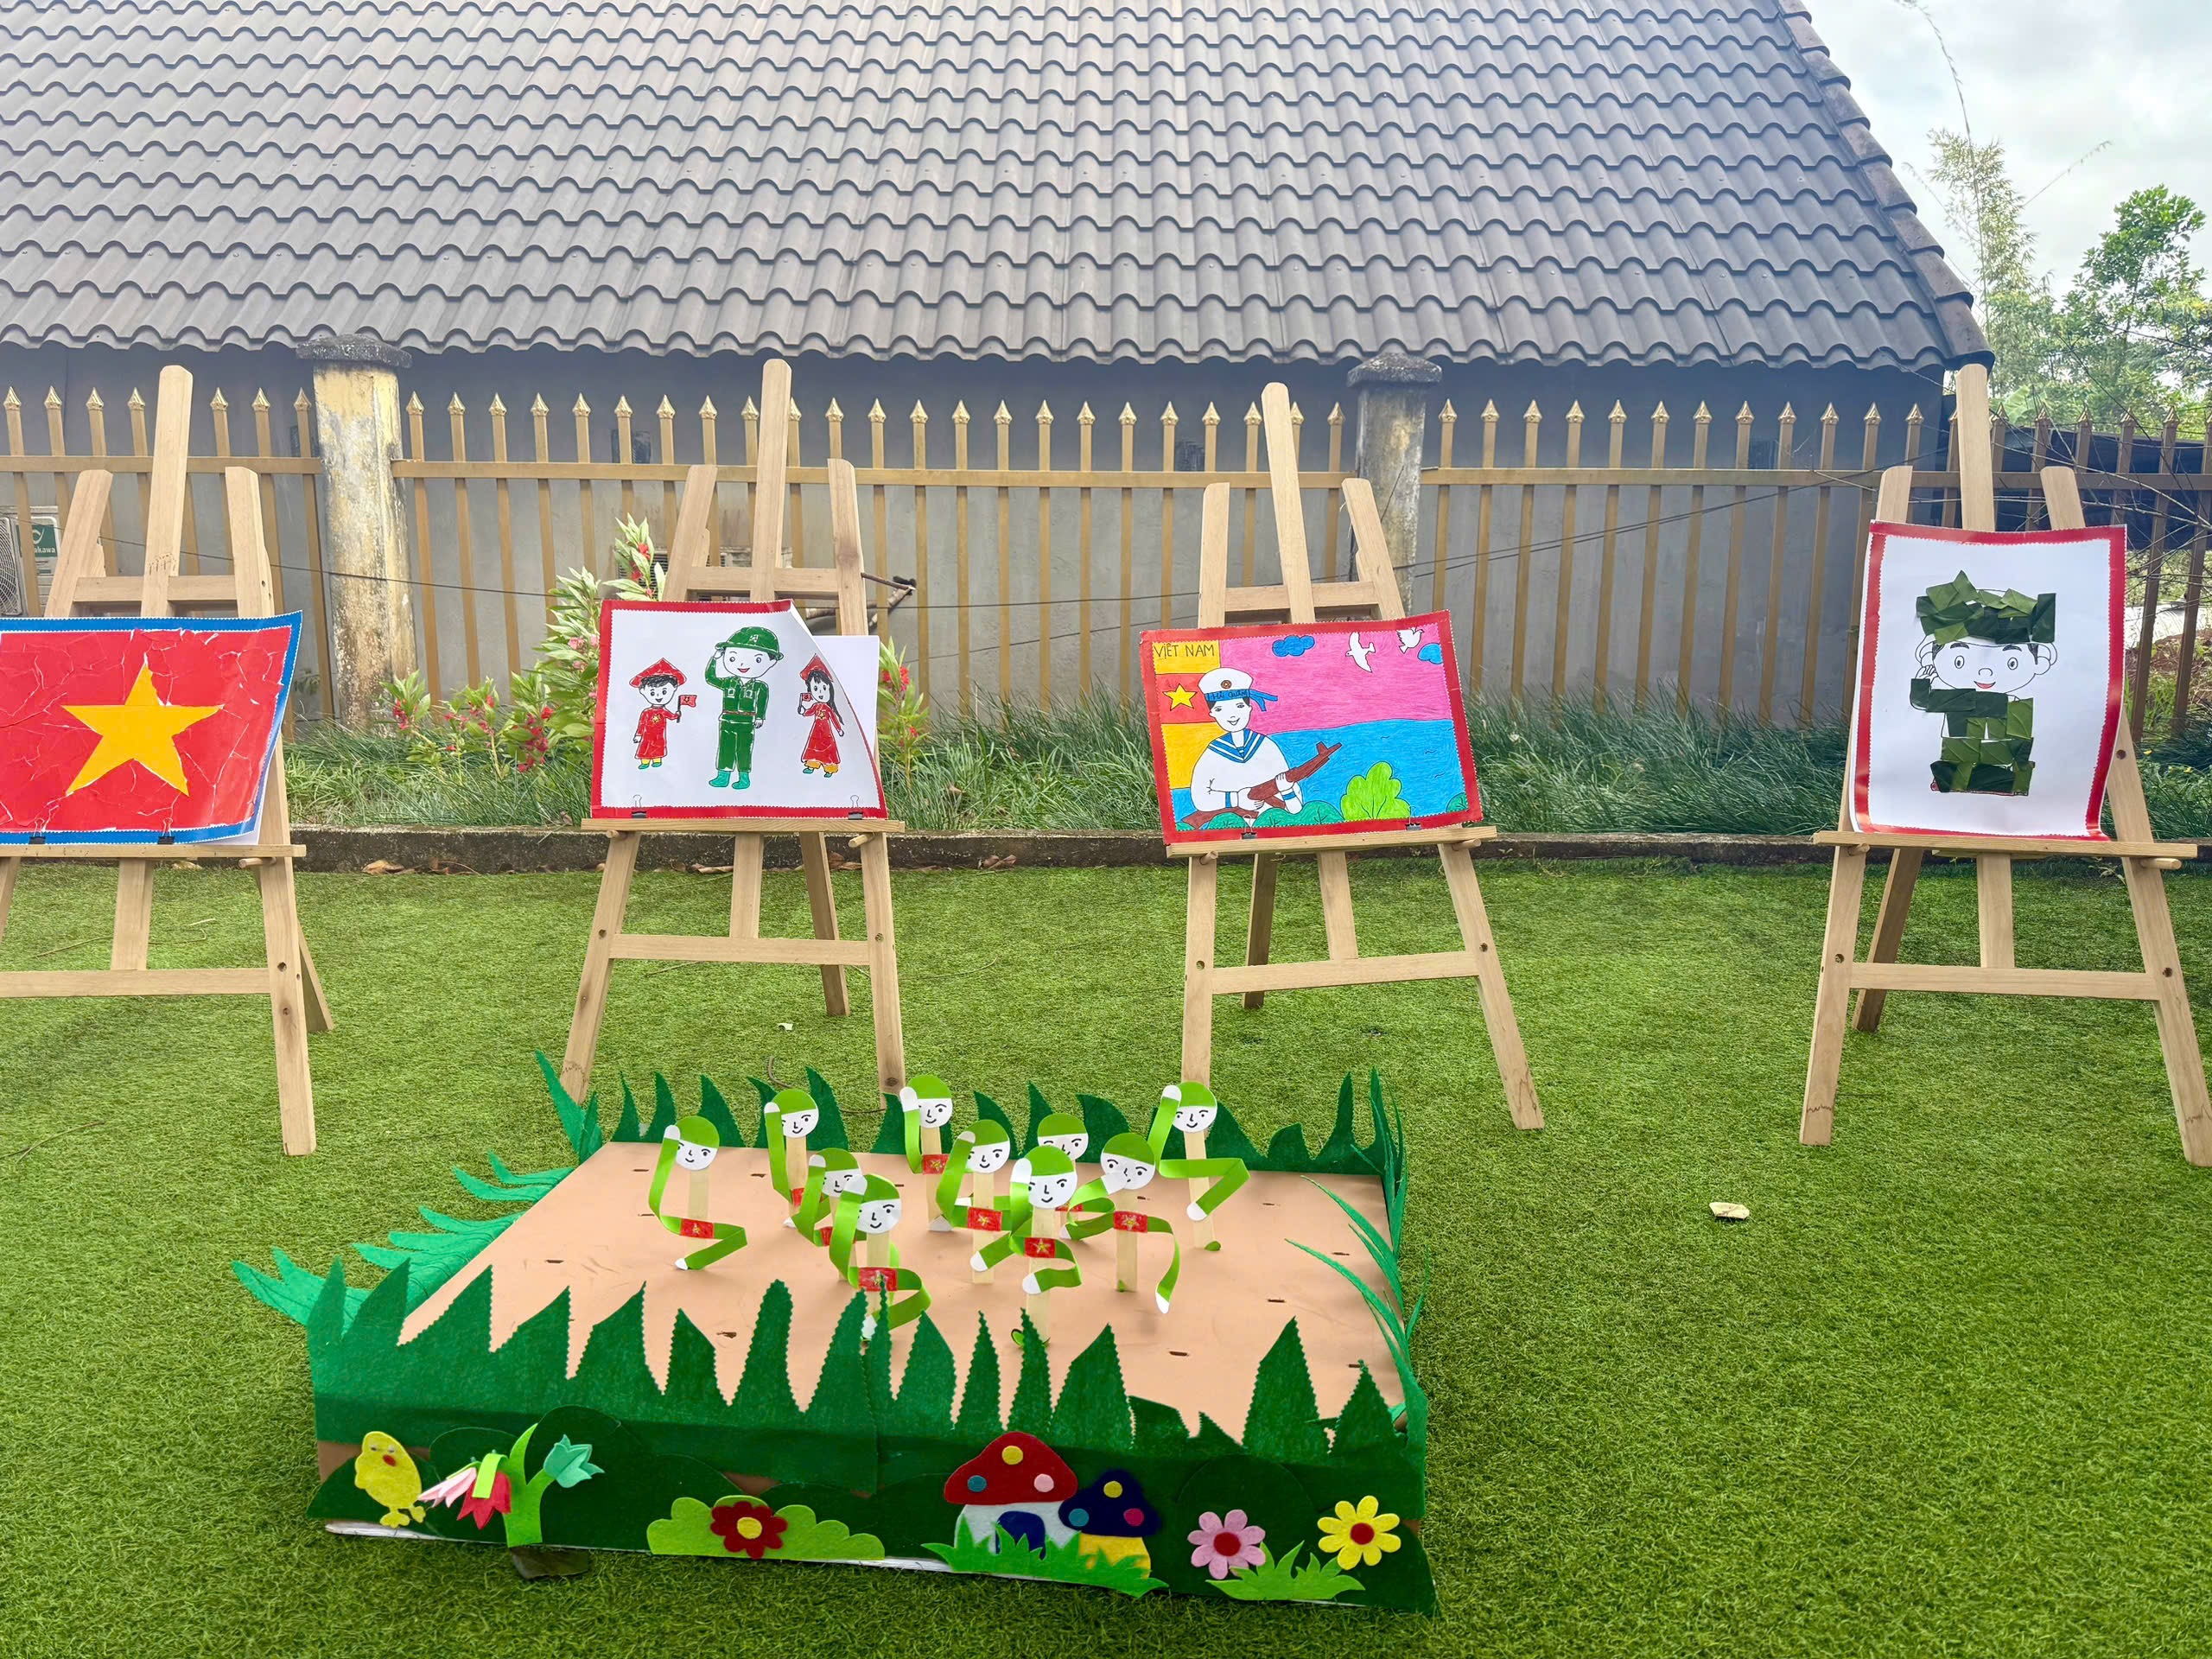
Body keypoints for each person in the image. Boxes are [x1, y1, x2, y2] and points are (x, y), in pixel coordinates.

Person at [1910, 572, 2057, 796]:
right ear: (1930, 655)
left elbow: (2021, 742)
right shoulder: (1958, 699)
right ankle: (1958, 781)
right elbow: (1923, 701)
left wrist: (2020, 773)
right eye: (1959, 660)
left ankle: (1999, 782)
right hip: (1957, 759)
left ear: (2040, 661)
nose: (1985, 672)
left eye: (2012, 662)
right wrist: (1922, 680)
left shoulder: (2015, 705)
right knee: (1959, 759)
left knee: (1999, 760)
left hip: (2000, 766)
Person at [1186, 666, 1301, 823]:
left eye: (1239, 706)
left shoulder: (1266, 746)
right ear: (1212, 714)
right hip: (1229, 825)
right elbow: (1200, 798)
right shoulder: (1213, 753)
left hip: (1273, 821)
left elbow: (1296, 808)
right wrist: (1236, 799)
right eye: (1220, 709)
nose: (1232, 715)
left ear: (1249, 708)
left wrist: (1287, 791)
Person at [703, 625, 781, 789]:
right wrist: (715, 659)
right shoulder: (728, 682)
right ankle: (723, 776)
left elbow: (762, 702)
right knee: (726, 748)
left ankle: (744, 778)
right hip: (727, 720)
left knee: (744, 749)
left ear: (772, 662)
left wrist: (760, 717)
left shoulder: (760, 686)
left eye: (757, 660)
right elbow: (710, 678)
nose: (743, 664)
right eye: (733, 658)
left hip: (747, 722)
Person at [628, 659, 693, 768]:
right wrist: (638, 735)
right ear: (643, 691)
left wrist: (677, 714)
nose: (658, 696)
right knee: (645, 747)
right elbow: (641, 725)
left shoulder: (663, 711)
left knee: (658, 747)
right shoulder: (646, 712)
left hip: (659, 736)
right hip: (647, 735)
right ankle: (645, 762)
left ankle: (657, 761)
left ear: (674, 688)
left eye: (664, 692)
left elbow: (671, 716)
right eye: (652, 693)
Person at [795, 654, 844, 776]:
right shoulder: (816, 706)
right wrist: (802, 710)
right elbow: (809, 712)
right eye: (816, 689)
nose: (821, 692)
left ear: (829, 688)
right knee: (813, 747)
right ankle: (812, 765)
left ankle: (830, 768)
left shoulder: (828, 709)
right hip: (816, 732)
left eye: (824, 688)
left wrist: (839, 729)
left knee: (828, 749)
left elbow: (834, 719)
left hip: (827, 734)